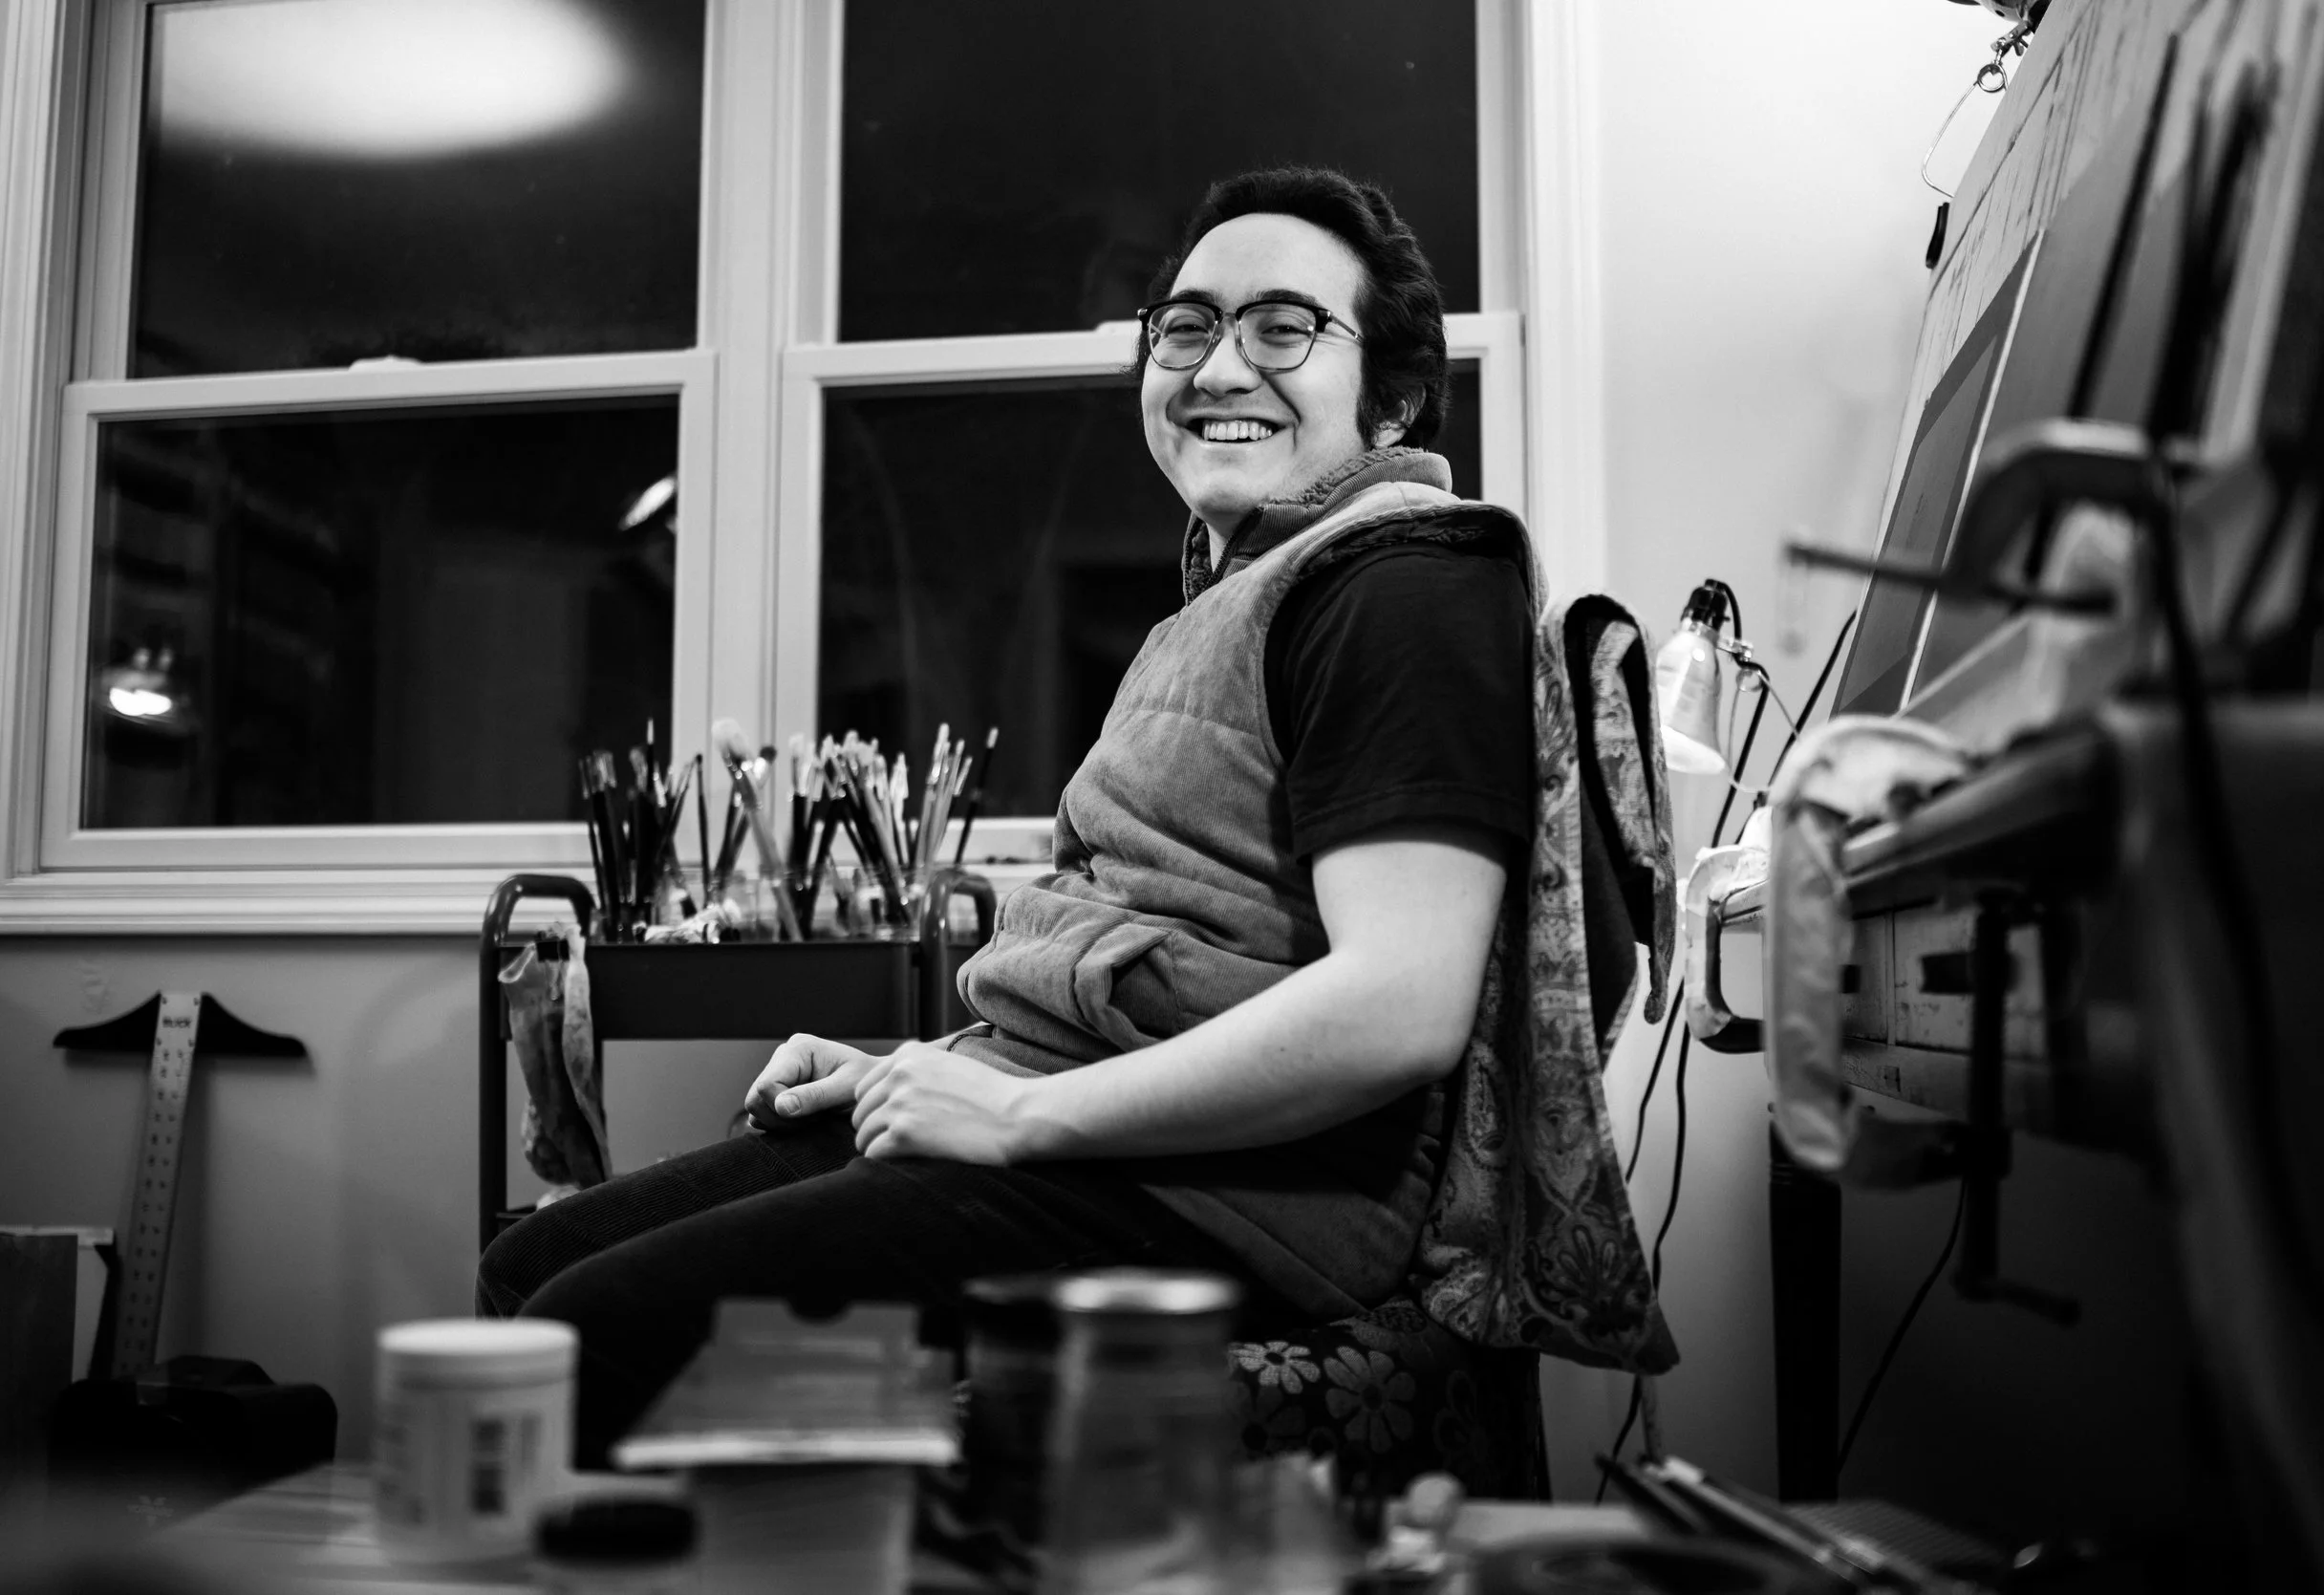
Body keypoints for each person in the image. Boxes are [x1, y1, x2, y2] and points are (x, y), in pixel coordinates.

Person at [477, 166, 1540, 1467]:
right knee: (530, 1269)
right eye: (1188, 327)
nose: (1218, 365)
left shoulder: (1407, 582)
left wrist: (1017, 1118)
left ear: (1396, 396)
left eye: (1284, 328)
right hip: (1102, 1137)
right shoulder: (1241, 592)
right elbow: (1160, 952)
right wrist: (926, 1073)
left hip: (1236, 1197)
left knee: (577, 1350)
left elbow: (1400, 1005)